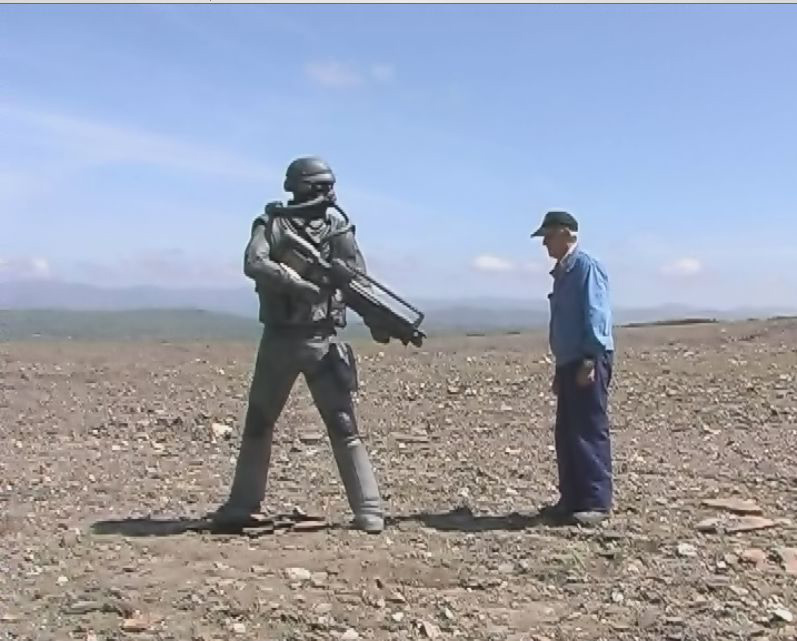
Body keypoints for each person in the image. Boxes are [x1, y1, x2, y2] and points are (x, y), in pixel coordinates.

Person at [212, 156, 390, 533]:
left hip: (321, 339)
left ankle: (369, 509)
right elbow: (255, 263)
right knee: (260, 423)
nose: (329, 194)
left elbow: (357, 282)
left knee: (343, 425)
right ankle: (243, 504)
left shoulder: (337, 230)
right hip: (280, 338)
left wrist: (377, 317)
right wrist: (297, 285)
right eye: (322, 186)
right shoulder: (274, 224)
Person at [530, 210, 615, 526]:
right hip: (569, 361)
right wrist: (560, 368)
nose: (545, 244)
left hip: (586, 358)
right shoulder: (564, 271)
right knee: (567, 433)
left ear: (566, 234)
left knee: (588, 429)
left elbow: (596, 313)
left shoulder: (586, 267)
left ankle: (596, 502)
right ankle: (571, 500)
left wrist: (590, 359)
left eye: (549, 236)